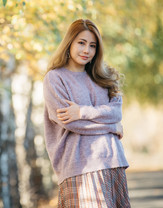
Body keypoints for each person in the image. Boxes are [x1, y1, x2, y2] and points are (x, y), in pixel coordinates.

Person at [43, 19, 130, 207]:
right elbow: (72, 123)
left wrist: (82, 111)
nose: (86, 50)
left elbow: (115, 113)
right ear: (69, 43)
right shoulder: (55, 78)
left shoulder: (104, 78)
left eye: (92, 46)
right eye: (81, 43)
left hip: (112, 161)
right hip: (79, 166)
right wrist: (111, 127)